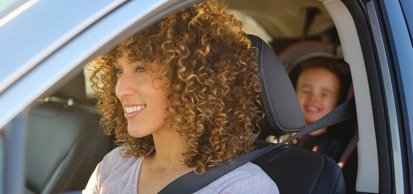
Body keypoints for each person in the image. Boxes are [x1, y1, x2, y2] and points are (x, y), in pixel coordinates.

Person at [83, 1, 279, 193]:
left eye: (140, 69)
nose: (120, 90)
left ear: (192, 79)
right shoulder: (115, 164)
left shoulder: (244, 187)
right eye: (118, 71)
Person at [288, 56, 353, 161]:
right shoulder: (280, 137)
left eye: (324, 94)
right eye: (306, 91)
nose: (313, 98)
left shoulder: (332, 148)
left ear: (336, 104)